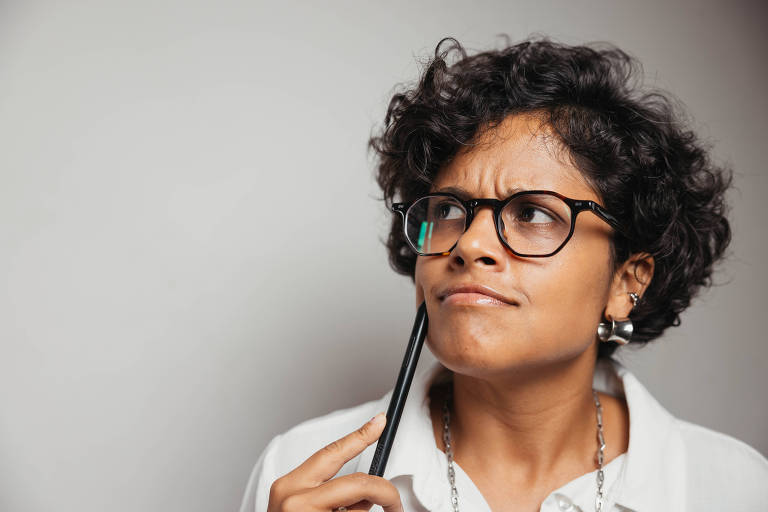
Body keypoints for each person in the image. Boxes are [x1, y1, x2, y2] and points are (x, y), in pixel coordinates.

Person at [239, 36, 768, 512]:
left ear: (627, 282)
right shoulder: (300, 473)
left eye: (534, 213)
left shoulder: (734, 489)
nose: (468, 244)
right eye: (447, 209)